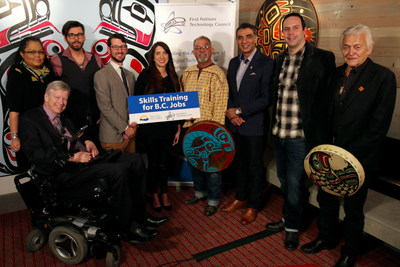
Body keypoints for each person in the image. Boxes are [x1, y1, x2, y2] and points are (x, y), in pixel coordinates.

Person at [19, 80, 168, 245]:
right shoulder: (30, 119)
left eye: (65, 99)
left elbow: (77, 135)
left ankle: (141, 215)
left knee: (135, 159)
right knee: (118, 170)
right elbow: (35, 155)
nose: (61, 103)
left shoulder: (65, 117)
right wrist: (71, 157)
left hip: (85, 162)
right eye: (57, 98)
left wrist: (88, 141)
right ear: (46, 97)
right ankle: (128, 227)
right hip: (62, 173)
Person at [300, 24, 396, 267]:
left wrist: (346, 157)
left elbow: (378, 126)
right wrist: (323, 149)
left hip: (358, 160)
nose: (351, 51)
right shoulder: (334, 74)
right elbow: (323, 113)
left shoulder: (383, 77)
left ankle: (350, 251)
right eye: (346, 46)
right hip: (329, 155)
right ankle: (326, 238)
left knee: (353, 209)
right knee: (326, 200)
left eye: (357, 46)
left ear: (369, 47)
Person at [266, 13, 336, 251]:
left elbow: (327, 101)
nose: (290, 33)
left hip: (301, 137)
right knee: (285, 181)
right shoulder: (279, 59)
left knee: (296, 184)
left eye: (295, 28)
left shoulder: (322, 58)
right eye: (286, 29)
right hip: (278, 132)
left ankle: (293, 228)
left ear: (305, 30)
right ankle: (290, 217)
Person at [223, 23, 274, 225]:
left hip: (255, 124)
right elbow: (230, 92)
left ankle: (253, 205)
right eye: (240, 37)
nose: (244, 41)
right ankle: (241, 197)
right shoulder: (234, 62)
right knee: (240, 164)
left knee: (254, 166)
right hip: (237, 124)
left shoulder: (266, 63)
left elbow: (265, 98)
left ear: (256, 38)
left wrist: (239, 111)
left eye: (248, 37)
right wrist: (231, 113)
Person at [181, 36, 229, 216]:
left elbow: (221, 103)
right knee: (194, 162)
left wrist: (216, 130)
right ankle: (199, 193)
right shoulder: (187, 72)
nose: (201, 50)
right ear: (193, 52)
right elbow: (182, 98)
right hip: (190, 127)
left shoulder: (218, 73)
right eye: (198, 48)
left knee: (212, 166)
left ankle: (213, 200)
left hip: (210, 129)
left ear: (211, 51)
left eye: (205, 47)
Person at [134, 42, 181, 212]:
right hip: (150, 130)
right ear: (152, 57)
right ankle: (153, 193)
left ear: (168, 56)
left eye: (165, 53)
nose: (162, 56)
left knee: (165, 163)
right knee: (153, 163)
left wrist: (178, 127)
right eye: (158, 53)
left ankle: (165, 193)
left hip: (168, 129)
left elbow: (178, 106)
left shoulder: (174, 76)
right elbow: (137, 103)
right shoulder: (145, 76)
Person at [6, 36, 54, 172]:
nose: (37, 56)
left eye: (40, 51)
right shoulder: (17, 74)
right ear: (22, 54)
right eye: (32, 52)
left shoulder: (48, 72)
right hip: (29, 132)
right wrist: (15, 137)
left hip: (49, 130)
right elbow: (14, 109)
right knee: (33, 173)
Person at [51, 20, 103, 144]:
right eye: (71, 35)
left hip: (97, 120)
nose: (76, 39)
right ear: (65, 37)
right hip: (70, 121)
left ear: (84, 36)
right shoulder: (56, 61)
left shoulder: (96, 59)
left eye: (79, 34)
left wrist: (103, 114)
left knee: (99, 157)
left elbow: (103, 89)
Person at [94, 33, 136, 153]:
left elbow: (132, 104)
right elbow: (105, 107)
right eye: (115, 47)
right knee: (117, 171)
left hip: (131, 136)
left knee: (132, 170)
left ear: (126, 49)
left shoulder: (130, 75)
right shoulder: (101, 75)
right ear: (108, 49)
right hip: (112, 137)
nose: (119, 50)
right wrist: (125, 128)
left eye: (122, 47)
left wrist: (132, 127)